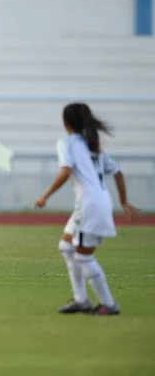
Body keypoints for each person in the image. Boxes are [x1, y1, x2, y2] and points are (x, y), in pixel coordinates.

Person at [35, 102, 138, 315]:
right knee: (66, 247)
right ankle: (81, 299)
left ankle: (109, 305)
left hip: (89, 206)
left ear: (66, 123)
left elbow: (65, 171)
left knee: (83, 257)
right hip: (95, 202)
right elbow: (117, 173)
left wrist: (45, 195)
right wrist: (123, 202)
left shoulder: (68, 144)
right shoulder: (93, 146)